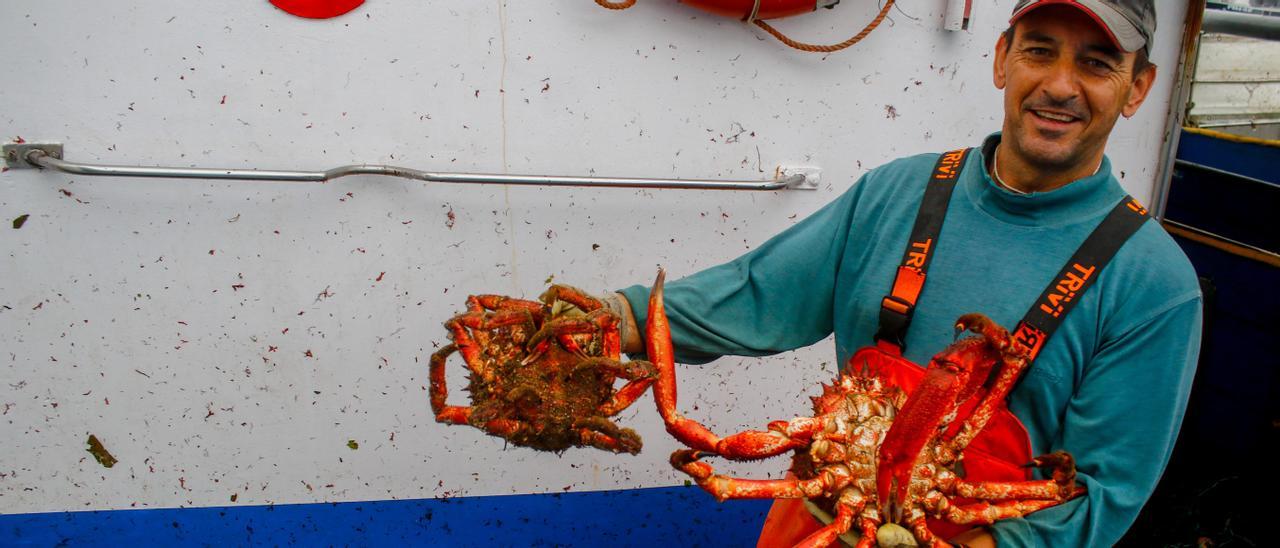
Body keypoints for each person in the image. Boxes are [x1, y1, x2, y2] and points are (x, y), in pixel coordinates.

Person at [601, 1, 1203, 546]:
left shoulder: (1153, 285)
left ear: (1138, 88)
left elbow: (1102, 498)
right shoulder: (899, 193)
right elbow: (752, 296)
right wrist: (607, 322)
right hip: (819, 524)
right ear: (1001, 59)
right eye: (1039, 50)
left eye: (1097, 64)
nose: (1060, 85)